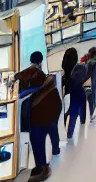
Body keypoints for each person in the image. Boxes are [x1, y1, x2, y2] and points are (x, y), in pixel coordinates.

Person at [15, 51, 62, 182]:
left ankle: (42, 168)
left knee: (36, 136)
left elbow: (23, 81)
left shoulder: (32, 72)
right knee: (52, 129)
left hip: (44, 113)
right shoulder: (41, 72)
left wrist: (18, 86)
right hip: (55, 108)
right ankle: (56, 150)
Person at [66, 59, 89, 140]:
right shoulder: (83, 68)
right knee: (82, 107)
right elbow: (84, 76)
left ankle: (69, 134)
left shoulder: (76, 71)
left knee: (73, 113)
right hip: (80, 91)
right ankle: (82, 121)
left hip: (74, 92)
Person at [84, 37, 96, 123]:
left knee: (92, 99)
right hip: (92, 84)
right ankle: (91, 116)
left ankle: (91, 115)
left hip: (91, 83)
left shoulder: (90, 62)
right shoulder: (95, 61)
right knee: (93, 99)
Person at [61, 47, 78, 125]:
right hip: (74, 92)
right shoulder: (77, 69)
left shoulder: (65, 70)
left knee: (66, 112)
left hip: (68, 91)